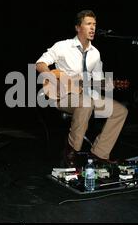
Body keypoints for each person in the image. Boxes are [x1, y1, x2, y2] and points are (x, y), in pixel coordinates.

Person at [36, 10, 128, 167]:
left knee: (120, 111)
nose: (92, 28)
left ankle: (100, 153)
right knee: (86, 103)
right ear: (78, 27)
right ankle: (70, 151)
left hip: (86, 95)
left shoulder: (95, 54)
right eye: (88, 24)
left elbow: (97, 81)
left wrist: (108, 84)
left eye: (94, 25)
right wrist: (54, 79)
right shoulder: (63, 46)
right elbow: (40, 64)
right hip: (62, 96)